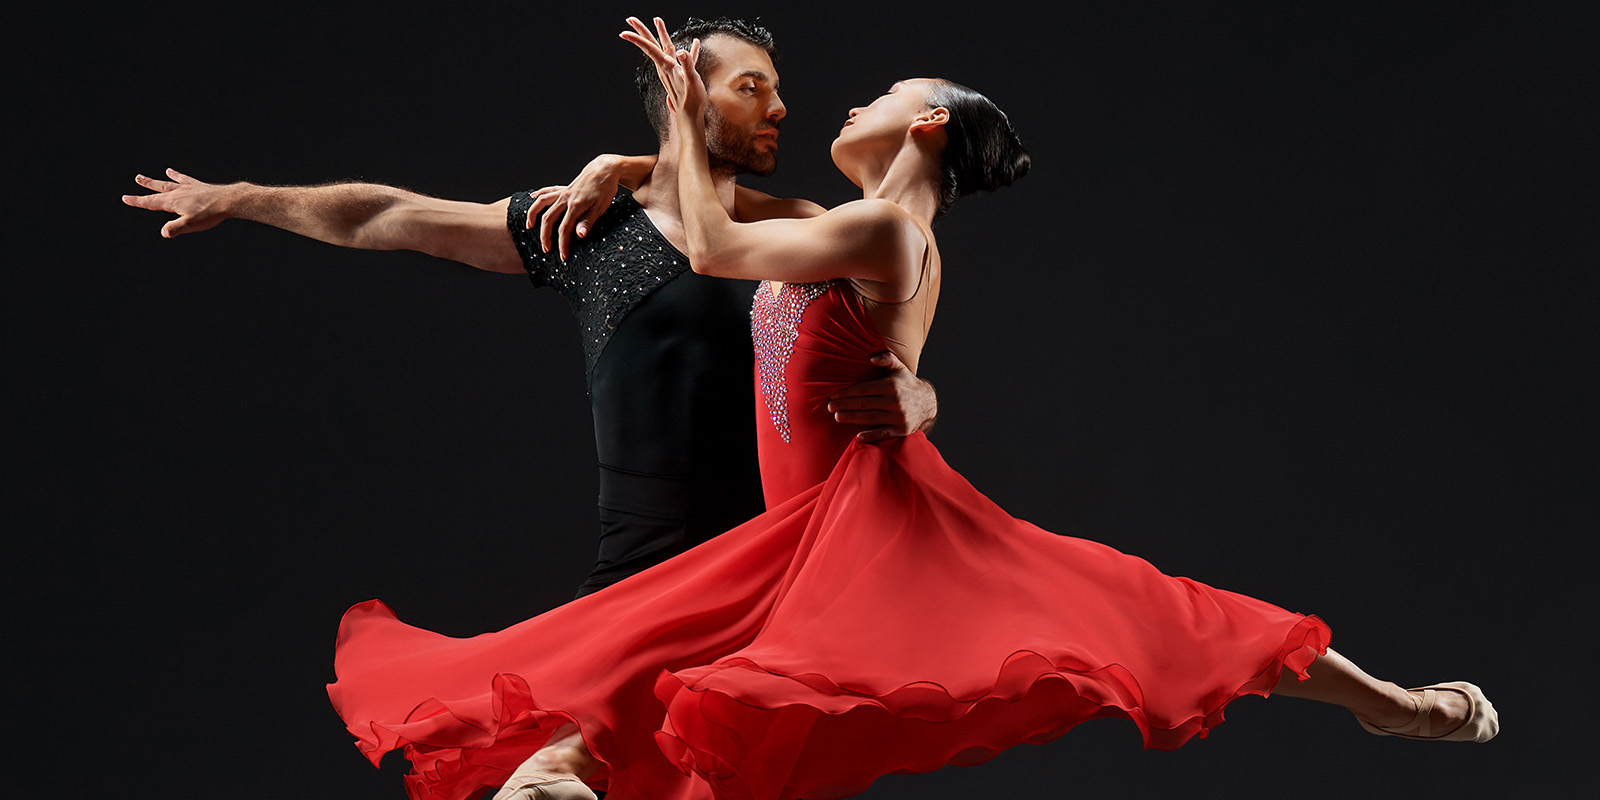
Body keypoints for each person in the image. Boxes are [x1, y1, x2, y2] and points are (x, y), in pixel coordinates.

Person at [327, 17, 1498, 800]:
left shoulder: (885, 227)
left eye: (883, 96)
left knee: (1141, 614)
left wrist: (676, 124)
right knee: (664, 649)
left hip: (865, 517)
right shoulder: (845, 228)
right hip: (802, 518)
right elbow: (742, 239)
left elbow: (725, 241)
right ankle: (559, 762)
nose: (836, 105)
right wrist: (625, 164)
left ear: (926, 123)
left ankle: (1389, 704)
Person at [120, 17, 938, 597]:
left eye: (778, 89)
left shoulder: (803, 226)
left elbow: (888, 326)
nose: (781, 109)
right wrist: (245, 197)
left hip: (782, 565)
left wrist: (922, 395)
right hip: (646, 568)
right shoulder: (579, 226)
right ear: (683, 85)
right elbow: (391, 215)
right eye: (753, 88)